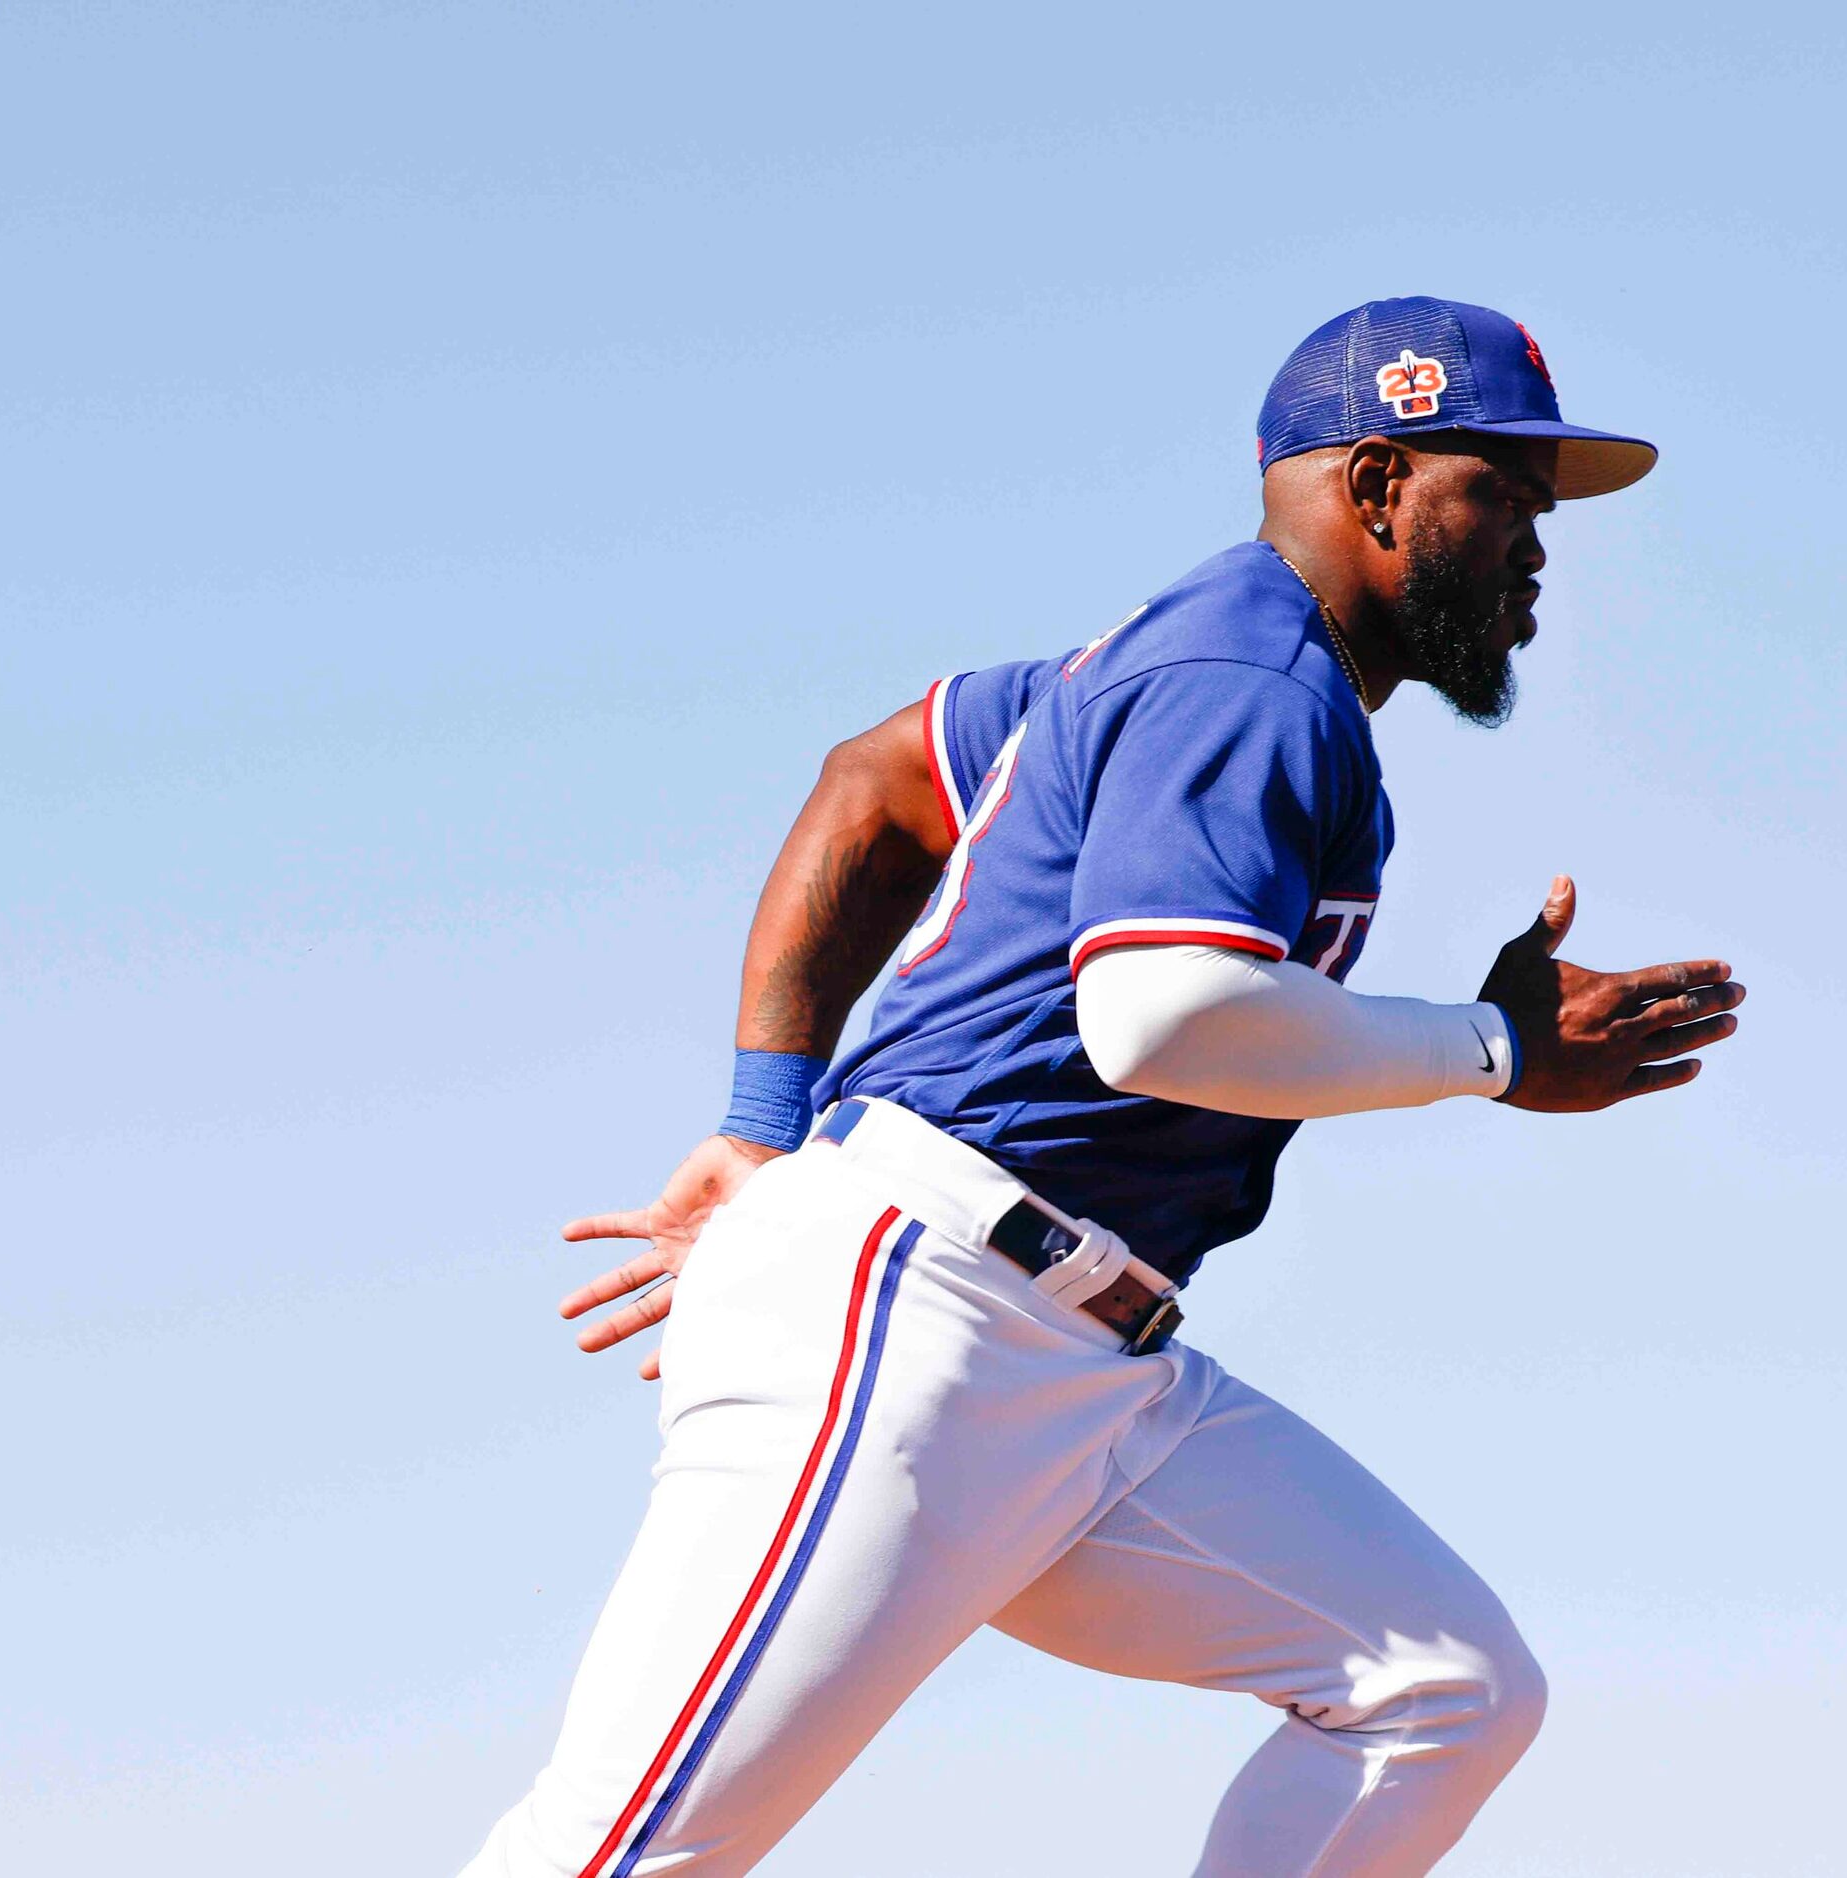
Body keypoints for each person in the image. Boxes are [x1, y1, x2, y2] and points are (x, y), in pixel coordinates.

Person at [462, 296, 1748, 1878]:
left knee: (1444, 1690)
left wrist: (758, 1117)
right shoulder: (1250, 676)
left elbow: (877, 778)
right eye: (1499, 490)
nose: (1535, 543)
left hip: (1085, 1367)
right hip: (921, 1299)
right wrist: (1494, 1053)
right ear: (1373, 485)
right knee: (619, 1854)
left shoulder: (1165, 666)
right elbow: (1157, 1013)